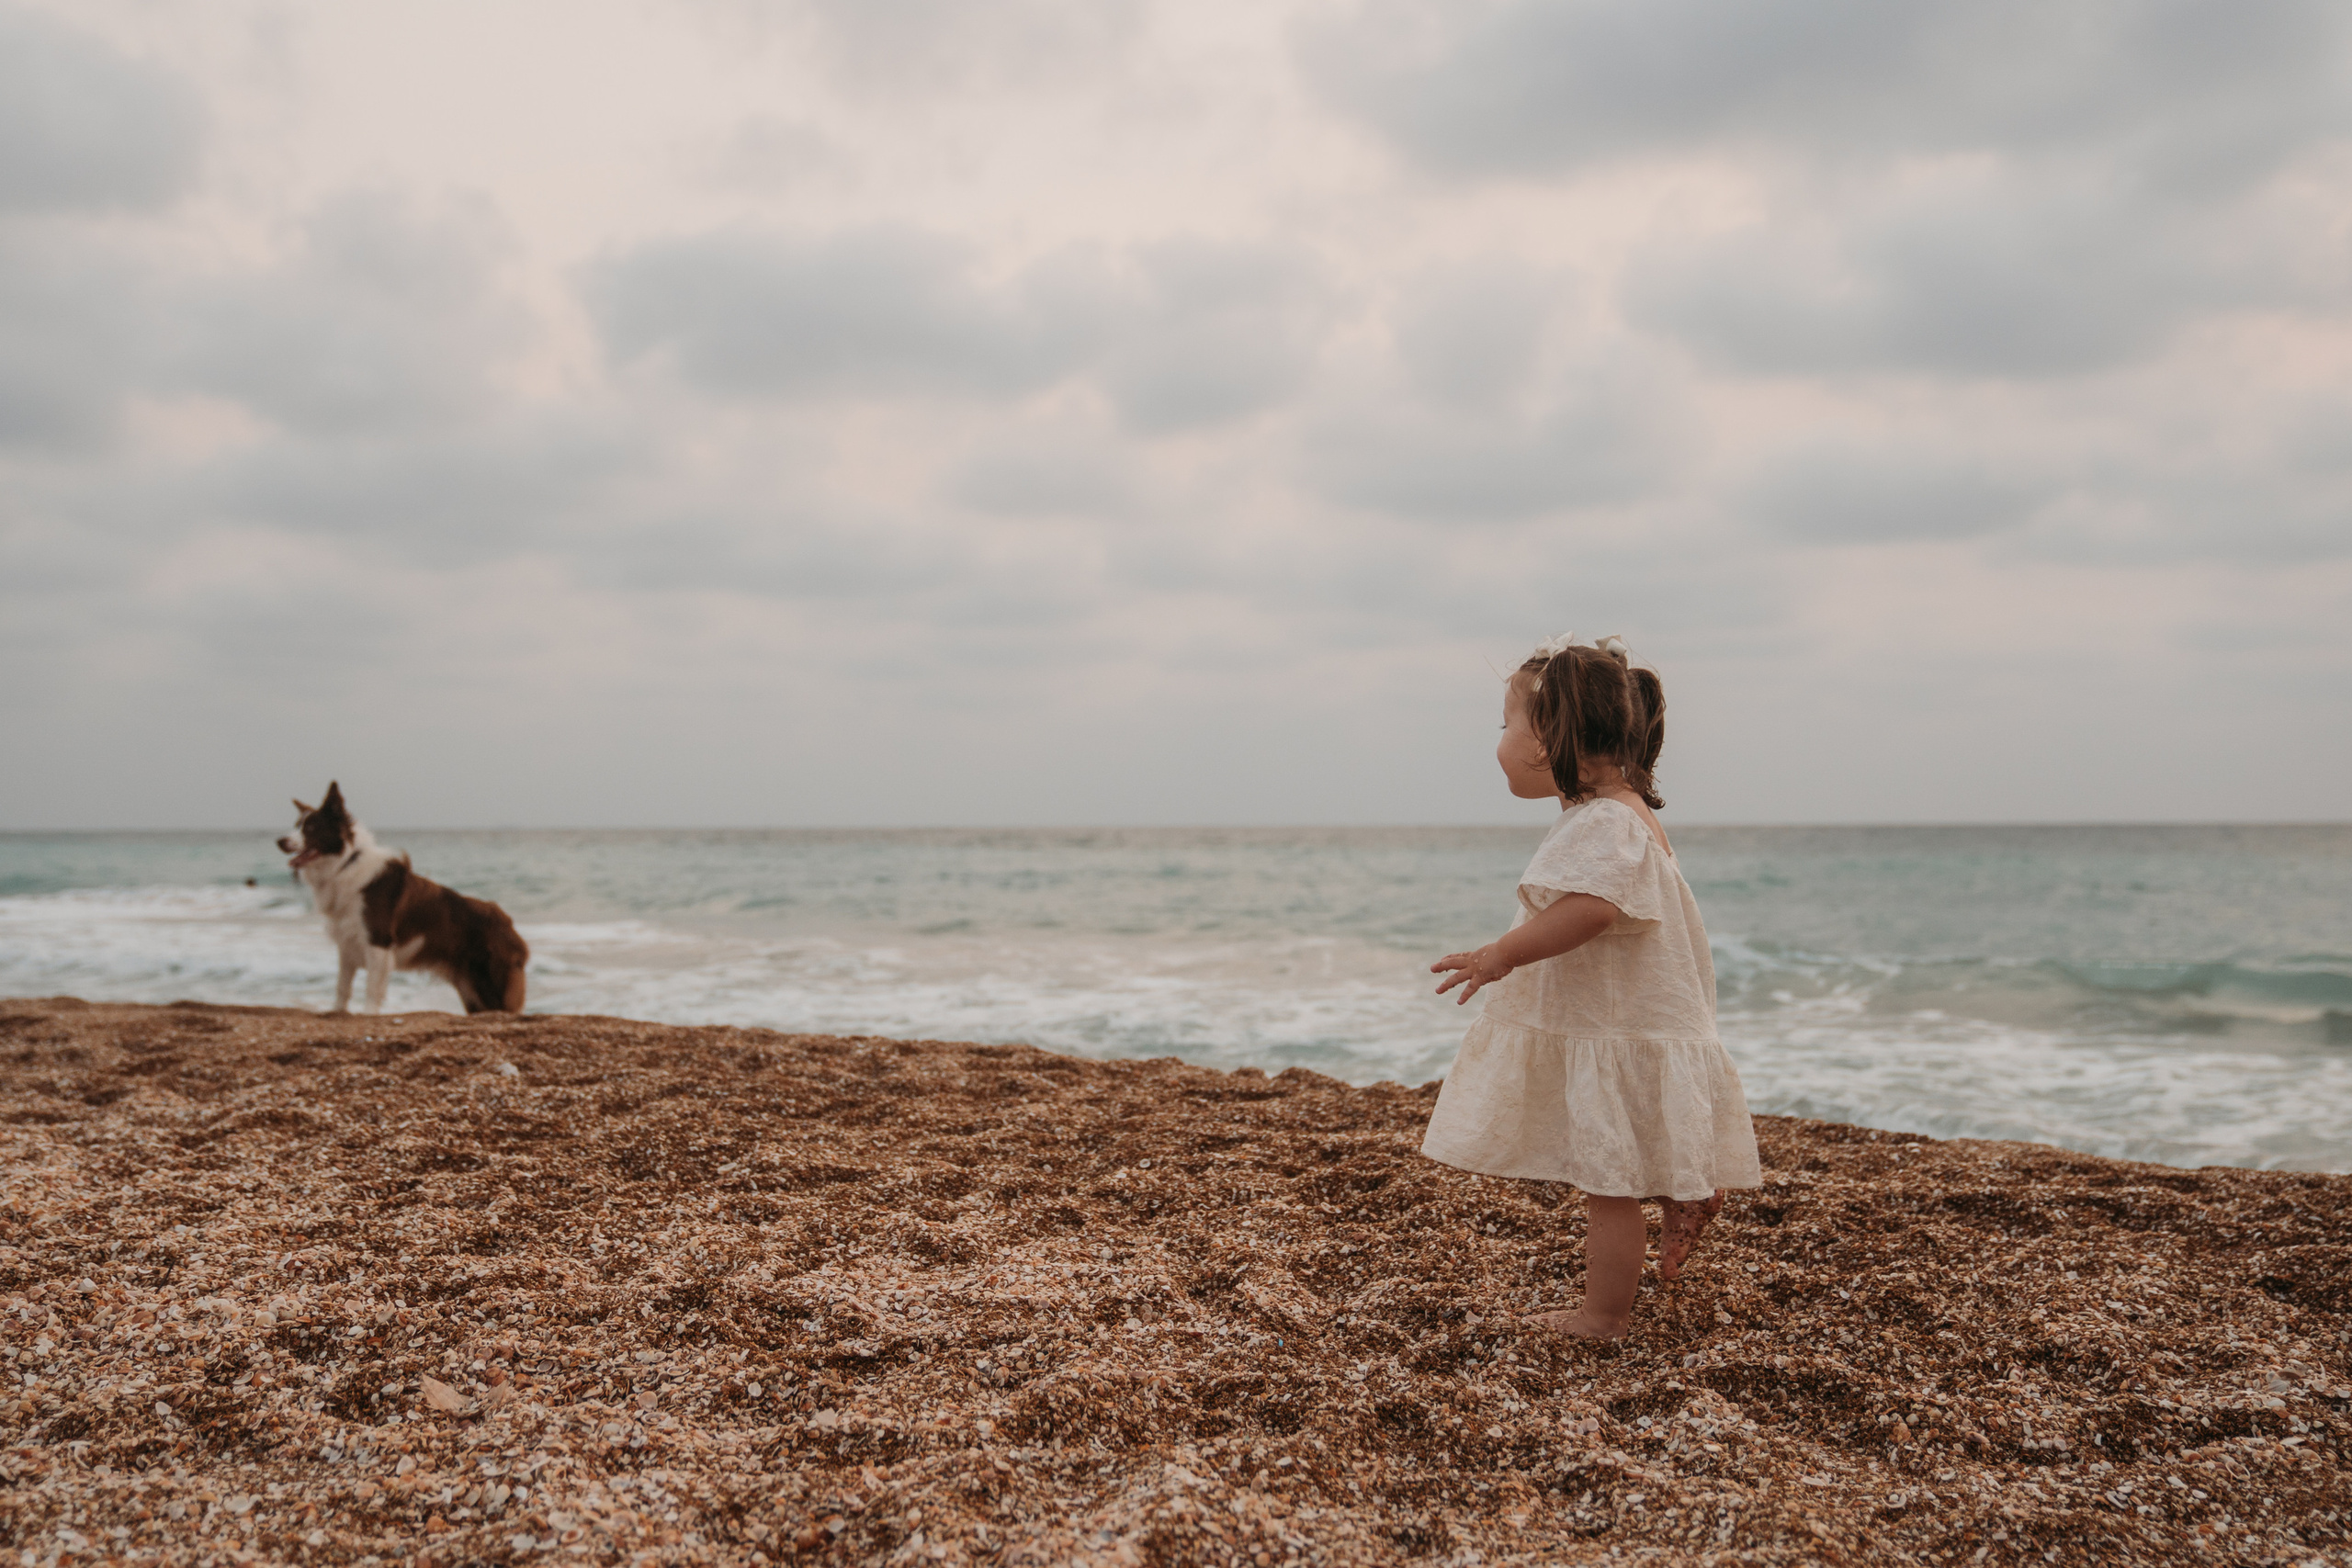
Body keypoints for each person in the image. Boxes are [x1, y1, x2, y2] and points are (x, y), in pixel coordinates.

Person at [1422, 632, 1760, 1338]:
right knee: (1633, 1140)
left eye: (1506, 722)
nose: (1501, 741)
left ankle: (1603, 1315)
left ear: (1548, 738)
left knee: (1608, 1180)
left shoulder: (1603, 821)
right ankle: (1683, 1190)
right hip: (1634, 1018)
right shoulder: (1626, 812)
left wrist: (1501, 954)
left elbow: (1592, 908)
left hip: (1618, 1025)